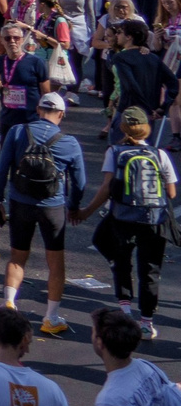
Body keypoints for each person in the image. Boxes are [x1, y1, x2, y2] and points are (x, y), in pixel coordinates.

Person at [0, 90, 87, 335]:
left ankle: (10, 304)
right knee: (55, 263)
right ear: (61, 114)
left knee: (17, 258)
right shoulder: (69, 143)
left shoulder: (17, 132)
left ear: (38, 110)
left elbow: (2, 169)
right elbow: (80, 182)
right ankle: (51, 317)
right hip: (52, 207)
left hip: (19, 202)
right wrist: (74, 207)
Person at [75, 107, 175, 331]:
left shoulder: (115, 151)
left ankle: (125, 309)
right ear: (147, 130)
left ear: (122, 127)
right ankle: (147, 322)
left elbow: (107, 188)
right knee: (150, 270)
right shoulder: (160, 155)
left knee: (121, 261)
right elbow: (171, 193)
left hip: (123, 217)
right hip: (154, 219)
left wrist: (86, 211)